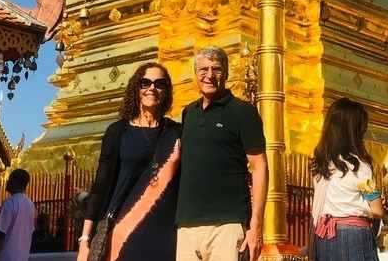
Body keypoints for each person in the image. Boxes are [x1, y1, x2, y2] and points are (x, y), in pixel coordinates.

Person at [78, 62, 181, 261]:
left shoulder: (176, 132)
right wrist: (84, 239)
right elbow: (100, 185)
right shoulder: (118, 132)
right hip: (123, 228)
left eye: (160, 84)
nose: (152, 88)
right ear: (137, 88)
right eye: (145, 83)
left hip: (164, 232)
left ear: (166, 91)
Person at [176, 46, 268, 261]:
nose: (209, 75)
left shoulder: (243, 112)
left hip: (227, 224)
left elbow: (259, 166)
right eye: (203, 69)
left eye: (216, 69)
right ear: (195, 73)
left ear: (225, 73)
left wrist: (256, 225)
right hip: (188, 225)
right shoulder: (189, 113)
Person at [311, 98, 384, 261]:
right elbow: (377, 208)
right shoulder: (359, 166)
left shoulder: (320, 166)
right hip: (354, 236)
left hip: (324, 236)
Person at [0, 169, 36, 261]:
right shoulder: (31, 205)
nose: (7, 181)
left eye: (10, 179)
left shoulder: (9, 203)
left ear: (16, 182)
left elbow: (0, 235)